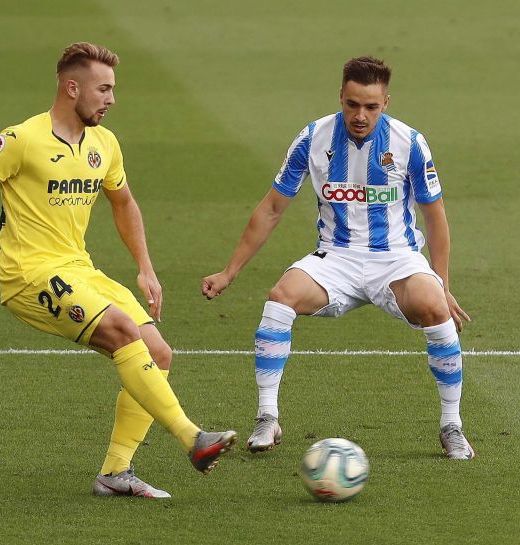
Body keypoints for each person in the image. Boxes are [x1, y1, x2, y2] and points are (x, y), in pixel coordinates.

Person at [0, 42, 237, 497]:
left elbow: (123, 203)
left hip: (78, 268)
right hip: (29, 275)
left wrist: (145, 268)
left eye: (112, 90)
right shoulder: (21, 140)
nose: (111, 99)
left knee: (158, 352)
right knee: (124, 329)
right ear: (72, 88)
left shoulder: (104, 144)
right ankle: (192, 438)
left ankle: (114, 473)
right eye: (103, 89)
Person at [202, 56, 474, 459]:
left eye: (371, 106)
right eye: (352, 104)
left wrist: (443, 285)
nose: (360, 115)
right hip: (336, 258)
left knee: (435, 308)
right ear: (341, 97)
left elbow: (435, 219)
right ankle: (266, 417)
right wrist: (229, 271)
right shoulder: (313, 138)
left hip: (396, 258)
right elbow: (272, 208)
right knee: (280, 297)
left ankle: (452, 425)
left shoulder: (410, 144)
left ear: (386, 102)